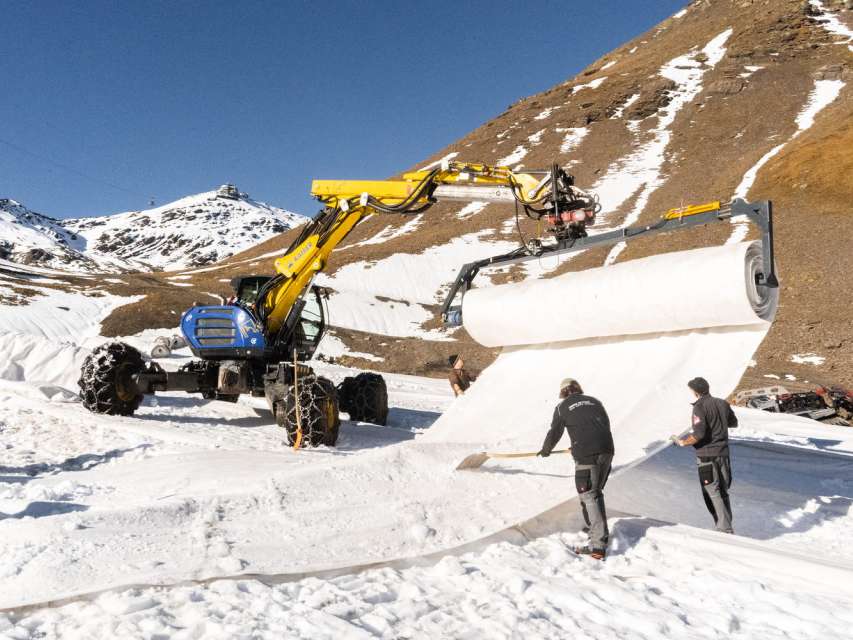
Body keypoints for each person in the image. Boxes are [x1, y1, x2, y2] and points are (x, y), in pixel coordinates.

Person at [538, 378, 614, 560]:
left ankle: (597, 547)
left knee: (589, 496)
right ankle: (597, 532)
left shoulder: (562, 407)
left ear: (563, 392)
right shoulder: (595, 401)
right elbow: (602, 426)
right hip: (607, 450)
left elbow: (555, 431)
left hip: (587, 456)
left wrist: (546, 449)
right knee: (595, 493)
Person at [674, 377, 738, 534]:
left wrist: (682, 442)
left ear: (695, 391)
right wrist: (718, 421)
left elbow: (699, 434)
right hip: (723, 454)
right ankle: (725, 525)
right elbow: (733, 422)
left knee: (712, 491)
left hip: (706, 455)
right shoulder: (722, 403)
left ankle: (724, 528)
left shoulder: (699, 407)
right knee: (722, 491)